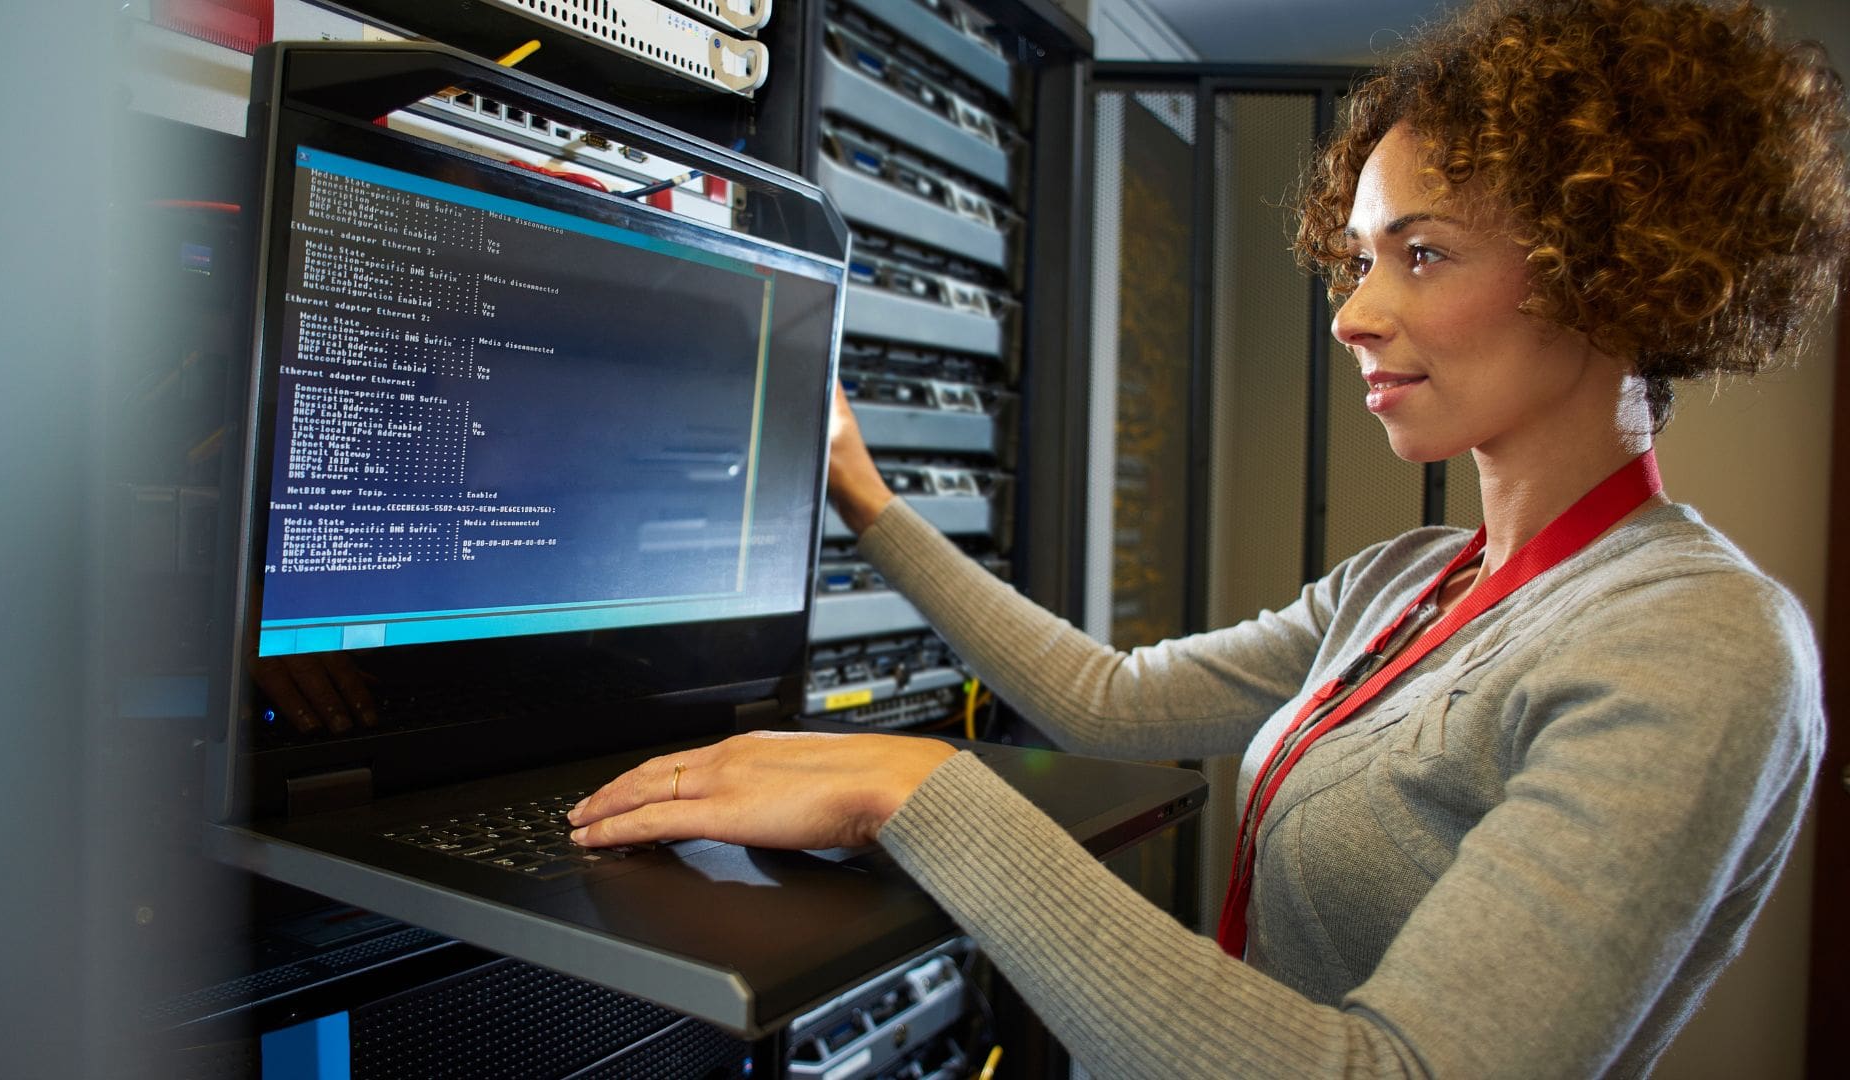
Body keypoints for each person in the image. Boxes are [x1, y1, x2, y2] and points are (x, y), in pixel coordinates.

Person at [569, 0, 1850, 1073]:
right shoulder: (1406, 585)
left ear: (1611, 263)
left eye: (1422, 253)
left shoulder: (1698, 640)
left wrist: (924, 792)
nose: (1354, 315)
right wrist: (860, 492)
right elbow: (1111, 702)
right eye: (1356, 260)